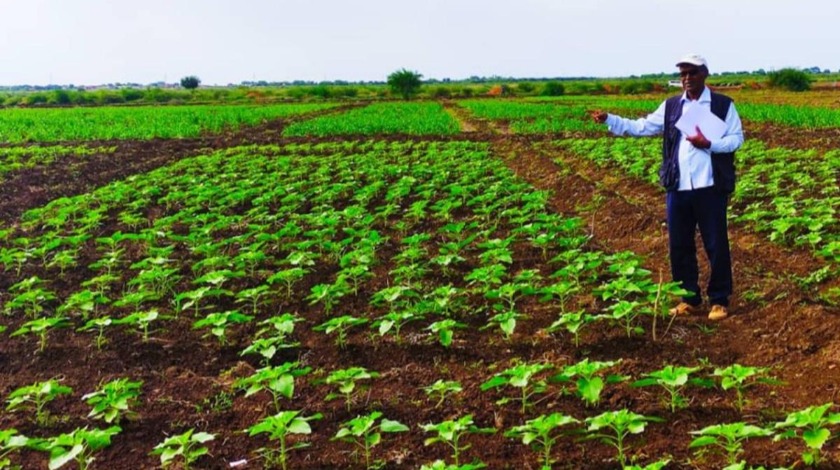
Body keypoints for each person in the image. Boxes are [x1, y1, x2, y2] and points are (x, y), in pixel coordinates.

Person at [589, 53, 744, 320]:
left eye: (692, 73)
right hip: (678, 186)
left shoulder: (722, 105)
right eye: (683, 74)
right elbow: (642, 126)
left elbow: (736, 140)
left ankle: (719, 300)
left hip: (710, 187)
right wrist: (610, 119)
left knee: (716, 244)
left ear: (704, 74)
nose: (686, 78)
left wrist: (709, 144)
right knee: (679, 245)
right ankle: (689, 299)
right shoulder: (672, 107)